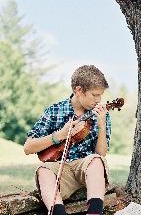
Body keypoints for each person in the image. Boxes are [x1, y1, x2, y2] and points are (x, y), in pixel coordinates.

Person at [24, 65, 111, 215]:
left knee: (96, 160)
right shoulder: (54, 110)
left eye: (100, 95)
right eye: (94, 95)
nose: (99, 100)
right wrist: (60, 135)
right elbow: (28, 148)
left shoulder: (101, 113)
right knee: (42, 171)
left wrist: (102, 125)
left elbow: (101, 154)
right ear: (78, 91)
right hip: (61, 169)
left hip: (86, 169)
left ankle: (95, 213)